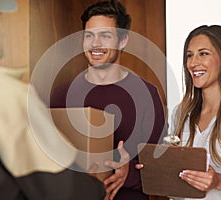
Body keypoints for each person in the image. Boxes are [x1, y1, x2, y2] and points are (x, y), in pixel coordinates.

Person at [0, 0, 106, 199]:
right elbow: (67, 191)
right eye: (0, 20)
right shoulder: (7, 95)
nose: (3, 31)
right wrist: (94, 187)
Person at [50, 0, 166, 199]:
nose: (95, 44)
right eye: (89, 36)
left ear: (122, 41)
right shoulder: (62, 95)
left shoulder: (146, 95)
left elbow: (160, 170)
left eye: (105, 36)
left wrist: (129, 174)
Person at [137, 25, 221, 199]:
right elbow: (176, 183)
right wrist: (157, 168)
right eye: (189, 55)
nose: (193, 63)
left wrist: (220, 182)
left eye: (203, 53)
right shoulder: (181, 113)